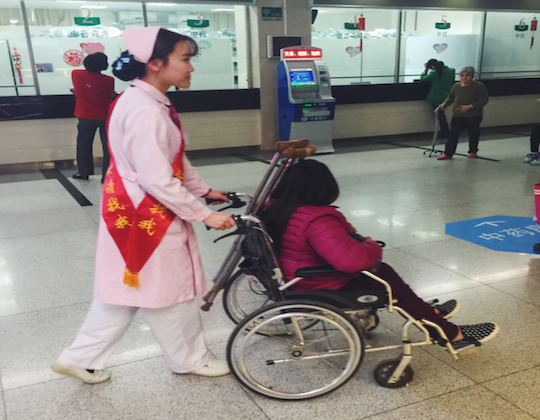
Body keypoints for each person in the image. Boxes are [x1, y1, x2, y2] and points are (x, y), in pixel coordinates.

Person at [51, 27, 236, 384]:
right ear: (155, 63)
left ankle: (79, 358)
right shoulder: (145, 110)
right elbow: (157, 177)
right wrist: (204, 214)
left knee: (126, 292)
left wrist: (203, 189)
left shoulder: (142, 100)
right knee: (171, 291)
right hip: (147, 213)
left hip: (130, 207)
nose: (191, 68)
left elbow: (174, 158)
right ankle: (189, 359)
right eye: (185, 59)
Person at [262, 160, 499, 350]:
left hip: (294, 276)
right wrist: (371, 246)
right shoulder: (317, 219)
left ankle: (428, 312)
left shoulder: (278, 207)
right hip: (317, 283)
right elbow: (350, 261)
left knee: (386, 277)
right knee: (386, 280)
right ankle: (451, 334)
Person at [71, 52, 115, 182]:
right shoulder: (109, 80)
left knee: (83, 145)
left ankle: (83, 172)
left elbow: (85, 88)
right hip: (104, 116)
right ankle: (106, 175)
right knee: (107, 146)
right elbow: (109, 95)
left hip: (84, 115)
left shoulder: (76, 74)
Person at [437, 66, 489, 160]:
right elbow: (451, 97)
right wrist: (445, 104)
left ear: (472, 76)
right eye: (462, 75)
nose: (464, 77)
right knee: (453, 134)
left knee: (473, 133)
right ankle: (448, 153)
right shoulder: (456, 86)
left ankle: (473, 151)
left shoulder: (479, 86)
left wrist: (470, 106)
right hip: (458, 115)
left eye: (467, 75)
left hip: (473, 115)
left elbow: (484, 100)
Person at [420, 59, 455, 137]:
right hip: (446, 95)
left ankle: (445, 131)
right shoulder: (451, 71)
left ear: (432, 67)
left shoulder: (434, 73)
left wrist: (426, 70)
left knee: (439, 114)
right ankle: (445, 131)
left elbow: (423, 79)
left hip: (435, 96)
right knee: (440, 113)